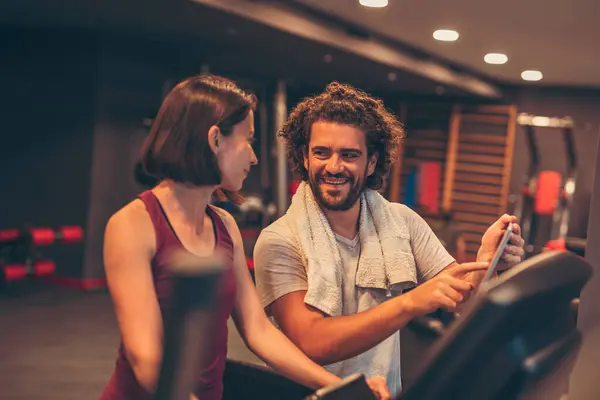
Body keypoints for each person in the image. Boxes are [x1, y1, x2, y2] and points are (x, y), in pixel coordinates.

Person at [99, 75, 390, 400]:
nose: (253, 157)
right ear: (215, 140)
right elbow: (147, 360)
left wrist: (342, 389)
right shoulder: (132, 225)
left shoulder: (224, 225)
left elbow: (259, 330)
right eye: (247, 140)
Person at [253, 82, 525, 397]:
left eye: (349, 155)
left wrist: (486, 260)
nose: (334, 166)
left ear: (371, 162)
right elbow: (313, 342)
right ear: (304, 156)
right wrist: (409, 302)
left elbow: (463, 301)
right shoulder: (279, 240)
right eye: (322, 153)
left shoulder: (401, 222)